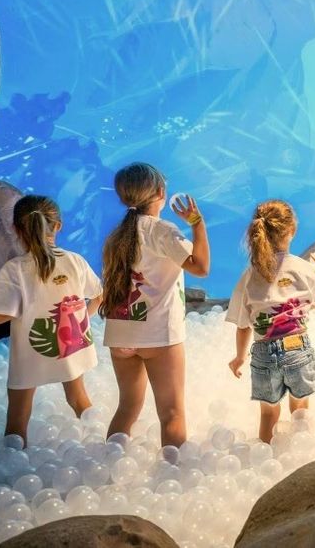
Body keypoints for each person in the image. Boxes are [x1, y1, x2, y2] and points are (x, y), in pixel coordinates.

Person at [0, 195, 101, 445]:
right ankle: (101, 442)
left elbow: (4, 313)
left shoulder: (16, 269)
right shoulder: (75, 261)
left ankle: (13, 458)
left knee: (18, 415)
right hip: (70, 347)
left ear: (16, 229)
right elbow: (99, 296)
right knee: (78, 398)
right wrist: (82, 321)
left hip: (31, 354)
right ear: (58, 226)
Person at [100, 163, 209, 447]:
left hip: (120, 333)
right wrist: (197, 224)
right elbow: (200, 267)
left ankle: (109, 464)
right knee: (171, 413)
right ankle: (173, 470)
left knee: (127, 409)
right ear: (161, 192)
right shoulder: (162, 231)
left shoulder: (116, 236)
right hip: (157, 334)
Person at [226, 200, 315, 444]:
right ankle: (303, 451)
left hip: (263, 354)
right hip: (297, 348)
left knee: (268, 414)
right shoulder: (301, 267)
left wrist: (239, 357)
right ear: (292, 231)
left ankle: (265, 453)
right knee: (300, 410)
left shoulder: (249, 275)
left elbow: (243, 325)